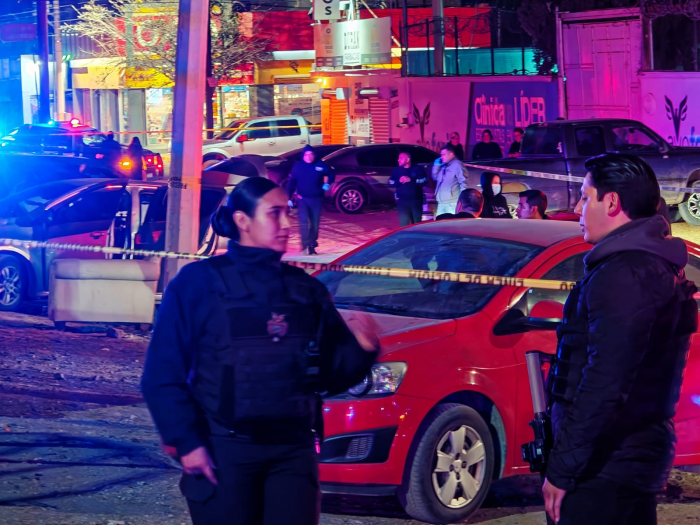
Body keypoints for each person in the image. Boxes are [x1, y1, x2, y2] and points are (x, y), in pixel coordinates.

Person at [141, 177, 379, 525]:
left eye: (288, 213)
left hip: (293, 452)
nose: (286, 224)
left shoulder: (305, 290)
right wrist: (187, 442)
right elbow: (162, 373)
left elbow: (328, 376)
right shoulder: (198, 283)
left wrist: (362, 350)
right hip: (224, 451)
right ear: (243, 220)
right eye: (274, 213)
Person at [543, 153, 697, 525]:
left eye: (585, 196)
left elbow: (605, 382)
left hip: (606, 466)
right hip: (618, 460)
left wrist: (563, 468)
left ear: (611, 202)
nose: (577, 208)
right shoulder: (640, 265)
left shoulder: (626, 273)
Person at [287, 145, 333, 255]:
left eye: (311, 154)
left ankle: (312, 245)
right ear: (303, 156)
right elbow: (291, 183)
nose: (309, 157)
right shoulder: (298, 167)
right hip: (302, 200)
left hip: (316, 200)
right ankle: (304, 246)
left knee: (314, 224)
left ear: (314, 155)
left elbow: (330, 173)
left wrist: (327, 183)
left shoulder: (320, 165)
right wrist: (288, 198)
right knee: (303, 223)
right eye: (307, 154)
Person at [388, 151, 427, 227]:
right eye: (398, 158)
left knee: (417, 225)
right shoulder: (396, 170)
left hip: (415, 202)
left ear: (408, 159)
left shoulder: (417, 169)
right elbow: (390, 183)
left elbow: (424, 181)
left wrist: (411, 180)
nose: (398, 160)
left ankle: (416, 235)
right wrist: (399, 181)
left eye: (401, 158)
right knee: (403, 226)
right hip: (402, 202)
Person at [432, 143, 468, 216]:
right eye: (441, 155)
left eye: (443, 154)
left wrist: (461, 200)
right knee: (439, 222)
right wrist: (436, 166)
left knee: (451, 222)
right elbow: (435, 177)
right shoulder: (444, 165)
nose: (441, 157)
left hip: (452, 203)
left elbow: (464, 182)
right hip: (441, 203)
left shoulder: (457, 164)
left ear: (451, 154)